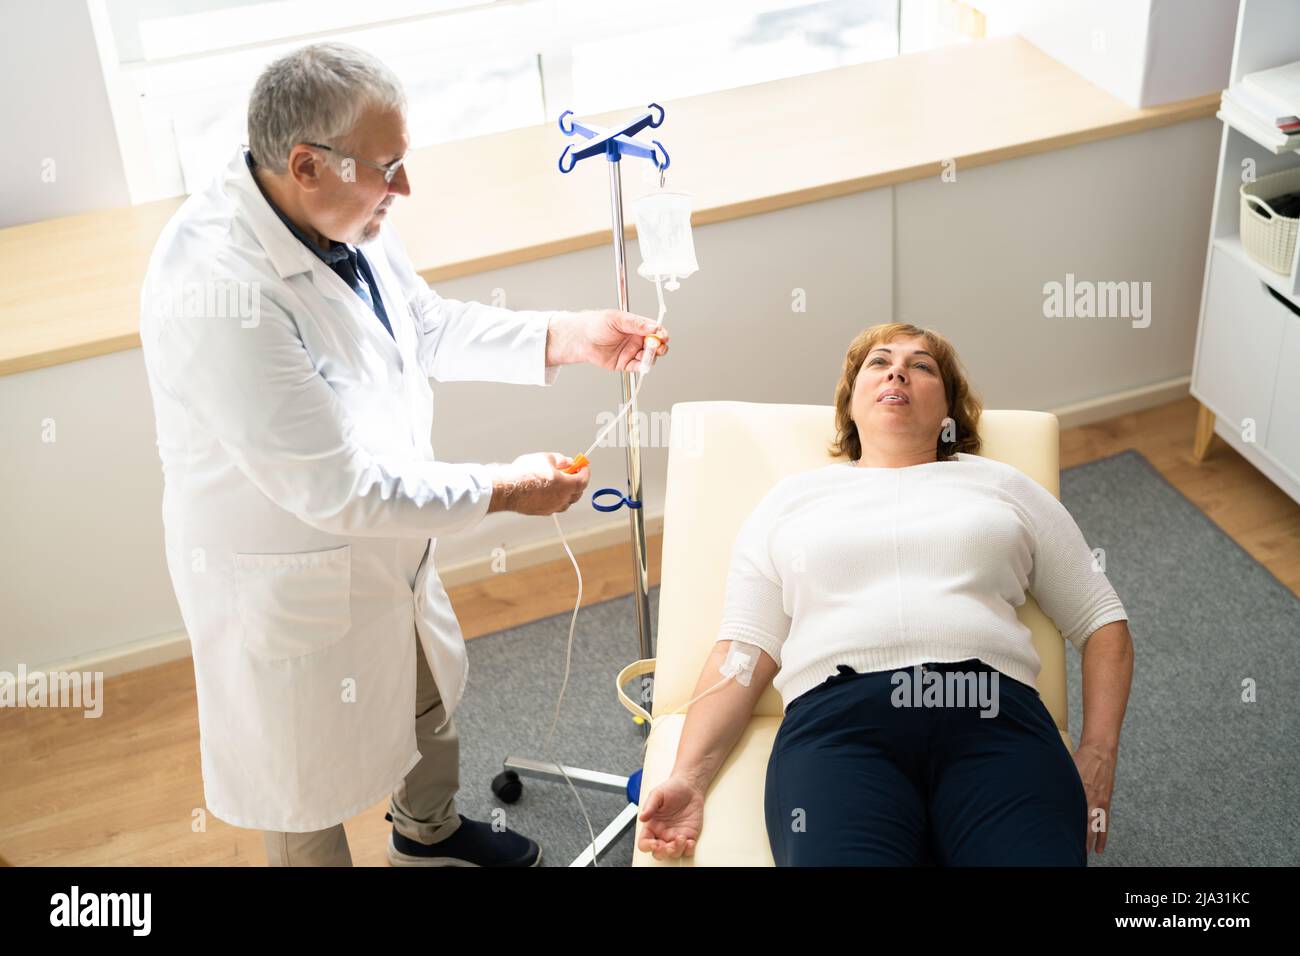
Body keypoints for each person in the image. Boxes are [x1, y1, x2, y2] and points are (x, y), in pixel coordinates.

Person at [138, 42, 669, 867]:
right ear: (306, 163)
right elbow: (337, 488)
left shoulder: (339, 211)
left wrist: (565, 336)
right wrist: (505, 489)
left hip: (388, 532)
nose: (404, 188)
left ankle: (429, 837)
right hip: (293, 559)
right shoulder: (220, 289)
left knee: (425, 685)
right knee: (301, 779)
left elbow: (420, 324)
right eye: (388, 167)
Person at [637, 323, 1133, 866]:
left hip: (992, 716)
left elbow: (1102, 621)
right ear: (851, 403)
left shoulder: (1003, 487)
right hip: (839, 729)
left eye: (922, 366)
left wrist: (1099, 752)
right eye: (879, 362)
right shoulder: (791, 501)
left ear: (949, 412)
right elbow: (742, 653)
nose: (898, 370)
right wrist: (688, 777)